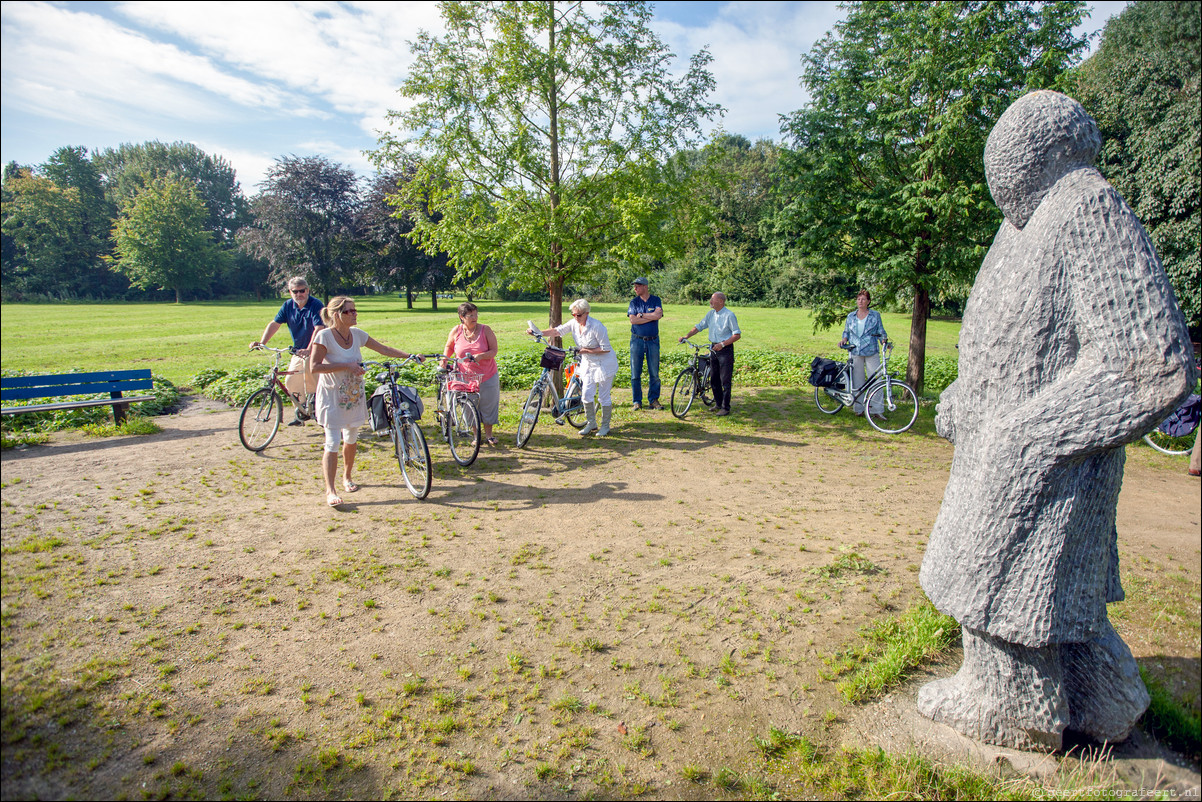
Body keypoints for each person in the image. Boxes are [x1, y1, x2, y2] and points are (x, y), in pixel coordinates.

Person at [918, 91, 1196, 750]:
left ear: (1032, 150)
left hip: (1040, 457)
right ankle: (1103, 696)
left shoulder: (1085, 207)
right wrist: (968, 392)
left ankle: (1011, 704)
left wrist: (1034, 435)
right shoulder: (1034, 220)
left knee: (1008, 579)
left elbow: (1150, 362)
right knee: (1046, 593)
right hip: (1004, 445)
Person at [310, 296, 423, 507]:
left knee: (351, 437)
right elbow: (315, 366)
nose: (354, 314)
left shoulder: (357, 335)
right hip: (332, 397)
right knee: (333, 442)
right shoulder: (324, 336)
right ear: (336, 315)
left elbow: (384, 350)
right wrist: (347, 366)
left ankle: (347, 476)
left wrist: (410, 356)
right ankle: (330, 490)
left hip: (353, 395)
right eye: (349, 311)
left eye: (354, 310)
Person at [529, 300, 619, 437]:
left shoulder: (597, 326)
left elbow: (605, 348)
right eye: (573, 314)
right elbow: (557, 331)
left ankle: (605, 426)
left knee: (603, 397)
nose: (576, 318)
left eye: (579, 315)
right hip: (587, 363)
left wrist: (585, 350)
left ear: (587, 313)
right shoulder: (574, 323)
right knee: (586, 395)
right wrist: (539, 332)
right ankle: (591, 423)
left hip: (604, 364)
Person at [251, 277, 324, 426]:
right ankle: (302, 411)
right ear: (290, 292)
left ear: (308, 290)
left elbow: (319, 328)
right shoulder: (288, 306)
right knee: (290, 381)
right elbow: (275, 324)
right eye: (295, 291)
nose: (299, 294)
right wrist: (262, 343)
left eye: (302, 290)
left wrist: (309, 349)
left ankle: (318, 407)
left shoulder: (316, 305)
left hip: (317, 348)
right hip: (299, 350)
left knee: (311, 378)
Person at [443, 302, 500, 447]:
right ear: (462, 317)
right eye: (470, 315)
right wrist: (444, 360)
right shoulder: (456, 331)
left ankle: (489, 435)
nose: (474, 317)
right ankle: (476, 436)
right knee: (469, 406)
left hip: (487, 375)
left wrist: (482, 356)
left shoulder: (485, 330)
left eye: (476, 314)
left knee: (488, 404)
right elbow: (449, 347)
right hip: (465, 376)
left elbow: (494, 350)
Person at [680, 292, 741, 416]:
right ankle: (718, 404)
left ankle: (725, 407)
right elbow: (699, 327)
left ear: (721, 301)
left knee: (725, 380)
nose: (710, 302)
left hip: (725, 350)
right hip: (713, 348)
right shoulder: (711, 314)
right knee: (714, 379)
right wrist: (686, 336)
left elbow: (737, 335)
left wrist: (723, 344)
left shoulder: (729, 315)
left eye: (712, 299)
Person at [839, 290, 888, 416]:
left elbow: (881, 330)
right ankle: (859, 409)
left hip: (871, 351)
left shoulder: (875, 315)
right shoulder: (851, 316)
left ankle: (876, 410)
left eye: (863, 299)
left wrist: (883, 340)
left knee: (876, 380)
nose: (860, 301)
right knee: (857, 381)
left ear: (868, 301)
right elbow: (846, 332)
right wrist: (844, 339)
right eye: (859, 299)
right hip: (856, 351)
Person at [627, 277, 664, 410]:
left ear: (645, 287)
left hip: (653, 341)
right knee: (635, 373)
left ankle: (653, 400)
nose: (635, 288)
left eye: (637, 286)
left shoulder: (656, 300)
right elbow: (633, 320)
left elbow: (658, 315)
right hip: (637, 340)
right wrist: (650, 316)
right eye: (634, 286)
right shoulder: (634, 302)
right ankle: (637, 401)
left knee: (654, 372)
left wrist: (641, 315)